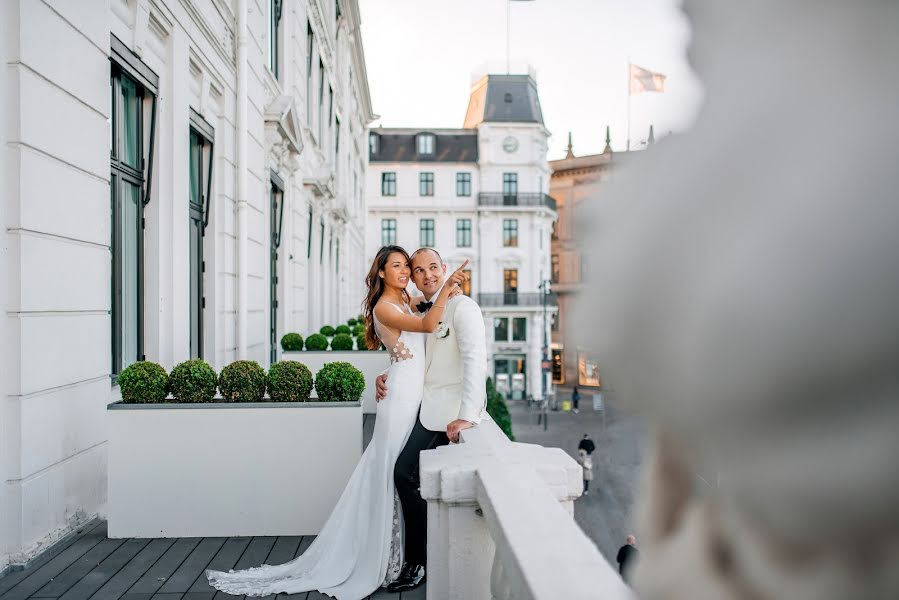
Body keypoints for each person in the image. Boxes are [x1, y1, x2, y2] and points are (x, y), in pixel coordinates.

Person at [206, 246, 468, 599]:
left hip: (412, 394)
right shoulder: (385, 307)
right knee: (391, 474)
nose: (406, 271)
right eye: (397, 266)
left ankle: (409, 558)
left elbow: (414, 346)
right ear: (380, 273)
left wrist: (387, 371)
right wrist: (448, 286)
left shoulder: (407, 302)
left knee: (396, 474)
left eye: (408, 266)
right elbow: (425, 326)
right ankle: (391, 558)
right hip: (403, 401)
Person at [376, 247, 488, 593]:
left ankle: (418, 562)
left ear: (444, 269)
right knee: (405, 475)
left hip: (446, 413)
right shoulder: (421, 307)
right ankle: (420, 557)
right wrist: (387, 374)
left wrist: (467, 416)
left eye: (433, 268)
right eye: (418, 269)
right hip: (423, 405)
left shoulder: (462, 307)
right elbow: (418, 355)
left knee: (403, 474)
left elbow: (475, 361)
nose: (426, 275)